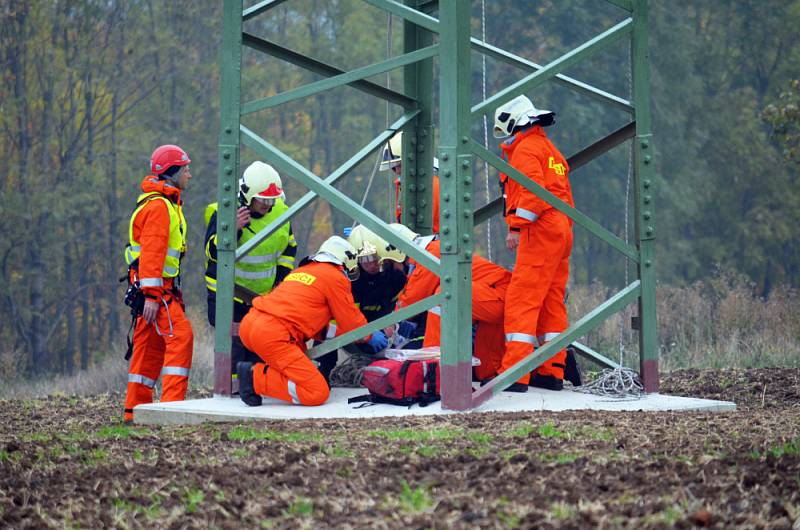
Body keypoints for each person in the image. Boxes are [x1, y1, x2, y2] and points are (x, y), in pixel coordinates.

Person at [236, 236, 382, 407]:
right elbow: (352, 323)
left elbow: (313, 324)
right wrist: (369, 336)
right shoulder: (335, 277)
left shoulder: (301, 272)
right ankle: (254, 377)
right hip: (274, 334)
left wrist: (345, 334)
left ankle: (259, 376)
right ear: (345, 261)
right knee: (316, 392)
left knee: (302, 372)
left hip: (252, 324)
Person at [494, 95, 574, 391]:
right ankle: (551, 370)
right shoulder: (550, 149)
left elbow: (532, 192)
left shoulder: (526, 150)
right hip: (561, 228)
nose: (508, 138)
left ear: (518, 124)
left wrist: (516, 226)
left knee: (522, 298)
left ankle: (515, 372)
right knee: (552, 300)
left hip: (540, 228)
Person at [122, 144, 194, 423]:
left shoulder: (161, 203)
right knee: (181, 338)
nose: (189, 173)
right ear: (172, 172)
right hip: (157, 292)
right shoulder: (160, 207)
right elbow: (152, 254)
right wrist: (152, 295)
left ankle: (134, 412)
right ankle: (171, 410)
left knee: (148, 349)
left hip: (154, 290)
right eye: (185, 169)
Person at [204, 161, 297, 374]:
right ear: (248, 196)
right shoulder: (225, 213)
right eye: (263, 199)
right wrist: (233, 231)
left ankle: (253, 388)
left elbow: (289, 248)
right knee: (233, 354)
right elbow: (212, 252)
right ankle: (232, 394)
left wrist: (279, 284)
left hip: (263, 298)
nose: (268, 204)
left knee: (260, 350)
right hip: (228, 296)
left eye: (272, 199)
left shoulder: (281, 213)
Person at [389, 224, 512, 382]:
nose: (393, 269)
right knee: (486, 370)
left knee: (445, 295)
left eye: (390, 263)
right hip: (496, 297)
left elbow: (413, 299)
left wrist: (391, 321)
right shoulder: (433, 249)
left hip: (496, 296)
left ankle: (433, 371)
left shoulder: (430, 252)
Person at [322, 225, 407, 386]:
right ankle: (324, 372)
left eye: (375, 259)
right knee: (327, 340)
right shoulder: (352, 282)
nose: (372, 265)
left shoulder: (394, 276)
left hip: (384, 326)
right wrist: (367, 334)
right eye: (365, 261)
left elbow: (400, 301)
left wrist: (393, 323)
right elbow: (346, 315)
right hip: (354, 329)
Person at [380, 132, 440, 233]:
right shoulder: (406, 186)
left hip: (431, 247)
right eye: (394, 167)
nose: (397, 171)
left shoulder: (432, 184)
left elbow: (413, 231)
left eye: (399, 165)